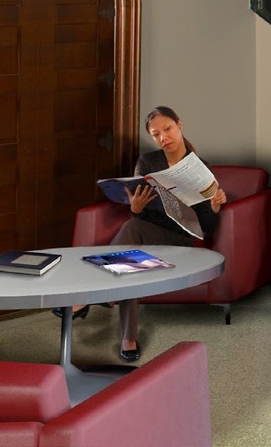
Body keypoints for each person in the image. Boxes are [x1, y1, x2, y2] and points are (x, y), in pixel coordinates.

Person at [107, 106, 227, 362]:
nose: (163, 137)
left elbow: (207, 227)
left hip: (180, 239)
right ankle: (128, 337)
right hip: (148, 232)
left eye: (167, 129)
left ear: (179, 125)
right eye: (156, 134)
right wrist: (135, 208)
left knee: (131, 246)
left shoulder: (199, 166)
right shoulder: (148, 161)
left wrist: (215, 206)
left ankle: (101, 292)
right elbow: (141, 215)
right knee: (131, 251)